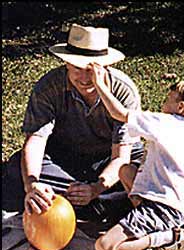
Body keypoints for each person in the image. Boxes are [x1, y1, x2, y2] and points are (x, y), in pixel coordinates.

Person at [2, 24, 144, 225]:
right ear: (65, 63)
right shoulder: (49, 86)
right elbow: (35, 141)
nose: (85, 79)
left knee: (140, 176)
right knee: (18, 169)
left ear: (105, 67)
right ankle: (87, 203)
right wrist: (31, 184)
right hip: (66, 156)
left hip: (109, 160)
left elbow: (121, 156)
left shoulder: (123, 91)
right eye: (77, 68)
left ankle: (78, 200)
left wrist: (96, 188)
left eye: (91, 70)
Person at [88, 63, 184, 250]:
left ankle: (166, 237)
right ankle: (155, 225)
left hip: (161, 207)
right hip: (174, 206)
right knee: (125, 170)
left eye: (169, 99)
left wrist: (99, 84)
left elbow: (120, 114)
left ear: (180, 107)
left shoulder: (167, 122)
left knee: (104, 246)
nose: (163, 102)